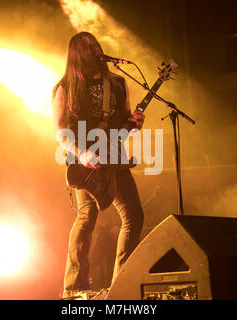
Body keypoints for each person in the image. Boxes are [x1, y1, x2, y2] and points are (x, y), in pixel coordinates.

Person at [52, 32, 145, 299]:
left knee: (134, 216)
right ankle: (73, 289)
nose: (93, 50)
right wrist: (80, 153)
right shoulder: (65, 87)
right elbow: (59, 129)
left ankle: (121, 284)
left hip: (114, 157)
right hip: (85, 162)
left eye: (95, 45)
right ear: (76, 54)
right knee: (87, 216)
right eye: (86, 47)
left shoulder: (117, 83)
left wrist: (136, 123)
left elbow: (125, 124)